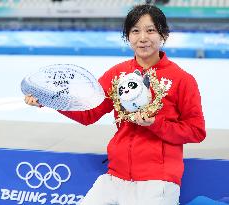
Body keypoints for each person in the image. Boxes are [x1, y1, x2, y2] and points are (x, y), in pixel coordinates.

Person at [24, 4, 206, 205]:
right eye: (135, 31)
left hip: (158, 180)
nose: (142, 37)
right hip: (115, 177)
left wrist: (156, 124)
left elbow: (196, 131)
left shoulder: (182, 79)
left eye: (150, 30)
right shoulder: (117, 74)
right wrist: (50, 100)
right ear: (128, 36)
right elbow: (89, 114)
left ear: (163, 34)